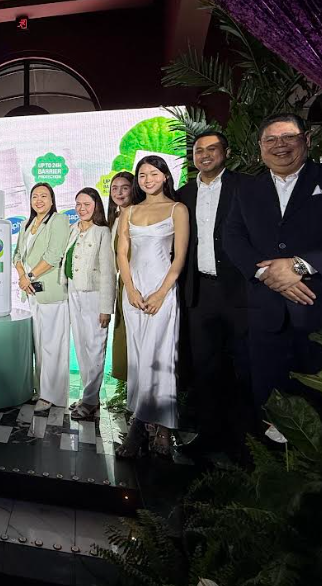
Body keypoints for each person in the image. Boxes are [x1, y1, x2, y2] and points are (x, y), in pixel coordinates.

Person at [223, 113, 322, 412]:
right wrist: (267, 273)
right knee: (277, 409)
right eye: (270, 139)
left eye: (288, 137)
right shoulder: (246, 189)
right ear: (261, 147)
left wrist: (300, 265)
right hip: (268, 318)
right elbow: (233, 237)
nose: (279, 145)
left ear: (306, 140)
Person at [177, 131, 254, 455]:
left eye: (212, 149)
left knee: (245, 367)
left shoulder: (247, 187)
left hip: (241, 292)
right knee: (206, 367)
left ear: (227, 152)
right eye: (199, 150)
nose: (205, 155)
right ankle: (208, 437)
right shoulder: (183, 195)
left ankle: (247, 443)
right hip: (199, 292)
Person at [116, 156, 189, 458]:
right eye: (142, 175)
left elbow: (179, 257)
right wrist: (130, 289)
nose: (148, 180)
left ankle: (161, 427)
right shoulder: (129, 211)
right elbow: (122, 254)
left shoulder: (177, 209)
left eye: (154, 174)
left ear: (165, 176)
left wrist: (160, 293)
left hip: (162, 289)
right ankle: (142, 421)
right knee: (137, 358)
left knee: (159, 356)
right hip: (134, 291)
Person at [13, 182, 71, 412]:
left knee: (53, 345)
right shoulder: (26, 224)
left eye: (44, 196)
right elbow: (17, 255)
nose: (39, 200)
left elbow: (54, 255)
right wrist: (22, 277)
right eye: (35, 196)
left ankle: (52, 396)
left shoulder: (58, 220)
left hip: (51, 292)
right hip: (30, 292)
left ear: (52, 199)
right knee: (39, 344)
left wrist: (29, 275)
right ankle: (40, 390)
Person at [64, 188, 115, 421]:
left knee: (95, 347)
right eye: (78, 204)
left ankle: (91, 400)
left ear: (96, 206)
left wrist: (106, 308)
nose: (81, 208)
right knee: (82, 347)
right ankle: (89, 396)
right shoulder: (73, 229)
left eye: (86, 204)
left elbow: (108, 272)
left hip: (94, 295)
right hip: (73, 292)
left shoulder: (102, 231)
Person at [106, 171, 134, 385]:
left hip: (137, 283)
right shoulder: (113, 219)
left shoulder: (139, 216)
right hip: (120, 284)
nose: (119, 192)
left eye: (124, 187)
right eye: (114, 188)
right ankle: (129, 389)